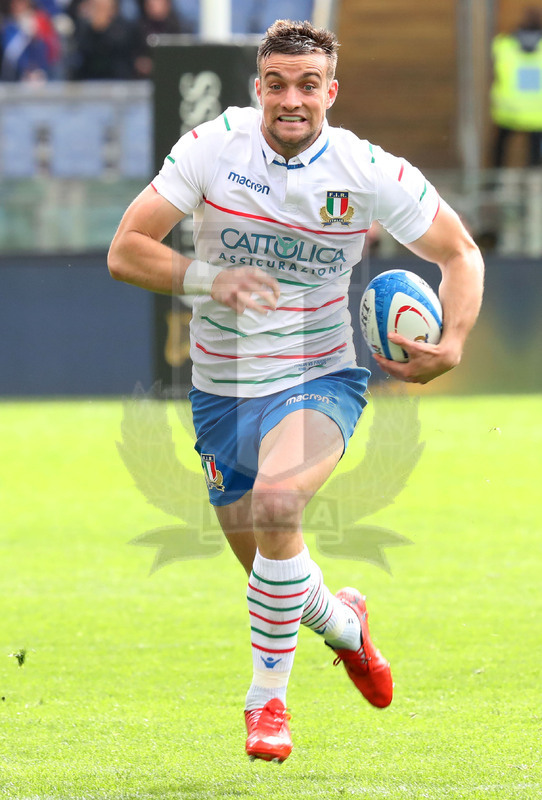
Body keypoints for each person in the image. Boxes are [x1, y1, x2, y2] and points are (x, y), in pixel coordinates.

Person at [108, 19, 484, 763]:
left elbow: (460, 252)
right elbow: (126, 249)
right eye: (277, 83)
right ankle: (346, 625)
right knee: (275, 576)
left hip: (320, 376)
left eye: (308, 85)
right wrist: (212, 278)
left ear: (330, 93)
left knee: (280, 507)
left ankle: (265, 706)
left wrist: (458, 340)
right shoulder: (213, 147)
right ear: (258, 89)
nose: (291, 98)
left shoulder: (366, 169)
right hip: (221, 392)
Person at [491, 6, 542, 167]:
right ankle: (533, 184)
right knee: (535, 155)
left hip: (508, 111)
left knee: (500, 149)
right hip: (537, 114)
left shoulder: (503, 45)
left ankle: (496, 184)